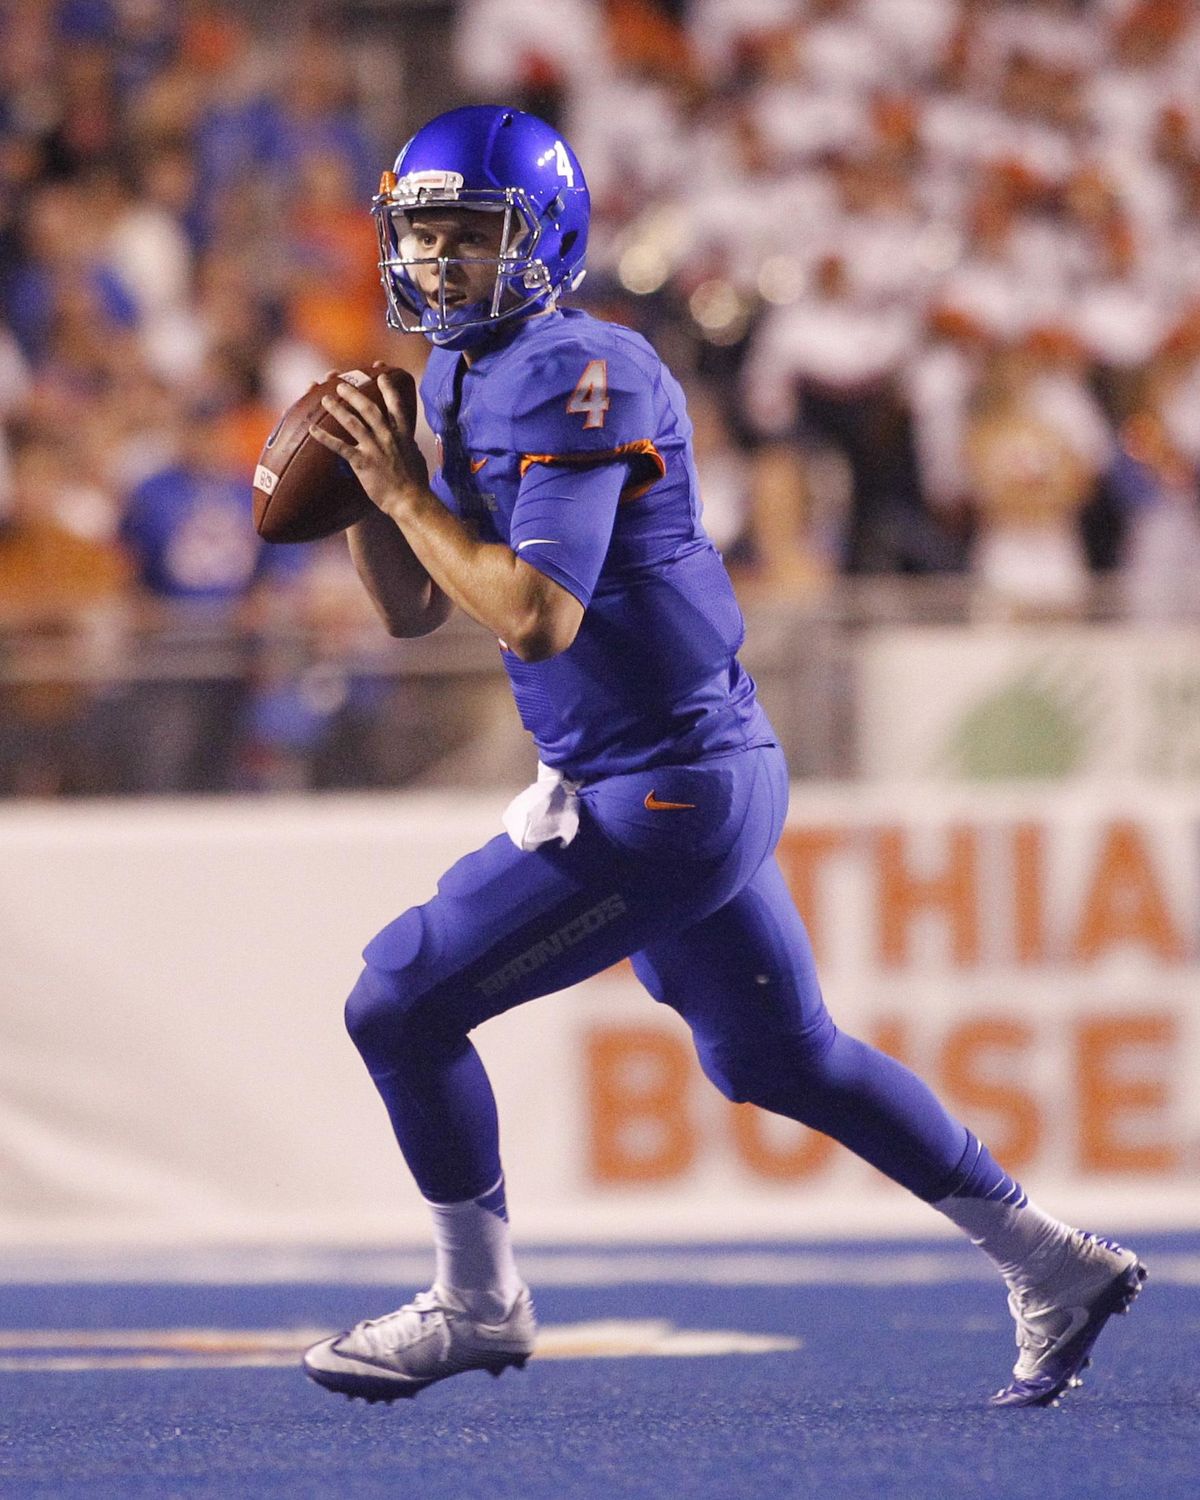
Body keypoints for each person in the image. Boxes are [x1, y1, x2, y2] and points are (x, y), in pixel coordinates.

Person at [300, 105, 1145, 1409]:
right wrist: (370, 495)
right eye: (421, 234)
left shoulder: (588, 371)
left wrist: (406, 495)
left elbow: (533, 611)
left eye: (471, 235)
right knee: (777, 1058)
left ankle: (478, 1302)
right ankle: (1051, 1259)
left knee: (398, 1004)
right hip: (668, 769)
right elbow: (425, 605)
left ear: (546, 237)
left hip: (662, 788)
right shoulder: (466, 373)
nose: (438, 264)